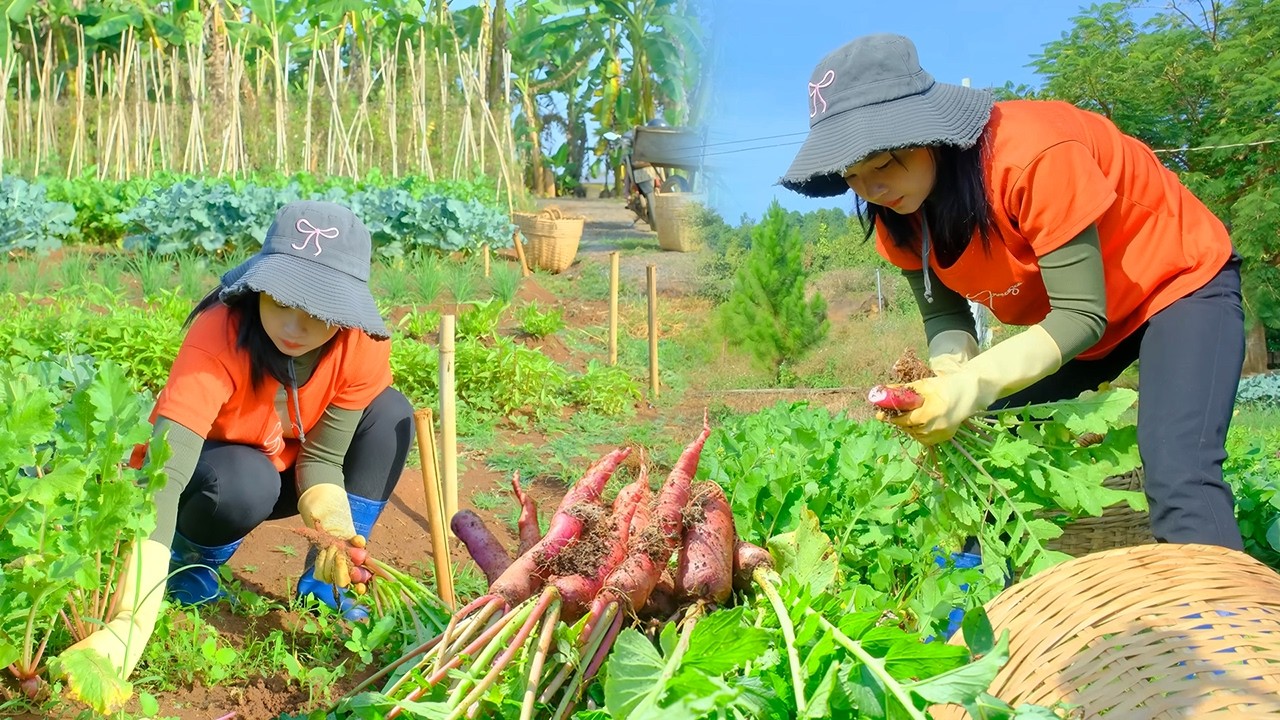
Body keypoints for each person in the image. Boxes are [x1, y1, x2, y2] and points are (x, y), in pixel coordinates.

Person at [780, 33, 1245, 551]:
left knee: (1178, 469)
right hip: (1086, 323)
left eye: (884, 164)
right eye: (853, 176)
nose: (873, 190)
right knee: (994, 438)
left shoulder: (1031, 155)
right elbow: (945, 319)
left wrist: (972, 386)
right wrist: (953, 378)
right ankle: (995, 606)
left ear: (928, 131)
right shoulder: (900, 216)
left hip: (1177, 284)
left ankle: (1222, 626)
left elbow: (1079, 314)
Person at [62, 200, 414, 686]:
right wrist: (130, 618)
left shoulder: (362, 346)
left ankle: (322, 583)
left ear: (345, 309)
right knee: (249, 480)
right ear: (260, 285)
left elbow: (325, 457)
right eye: (282, 301)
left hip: (289, 471)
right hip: (214, 478)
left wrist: (333, 530)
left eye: (317, 311)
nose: (294, 327)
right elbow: (166, 471)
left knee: (391, 411)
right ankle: (189, 563)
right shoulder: (220, 330)